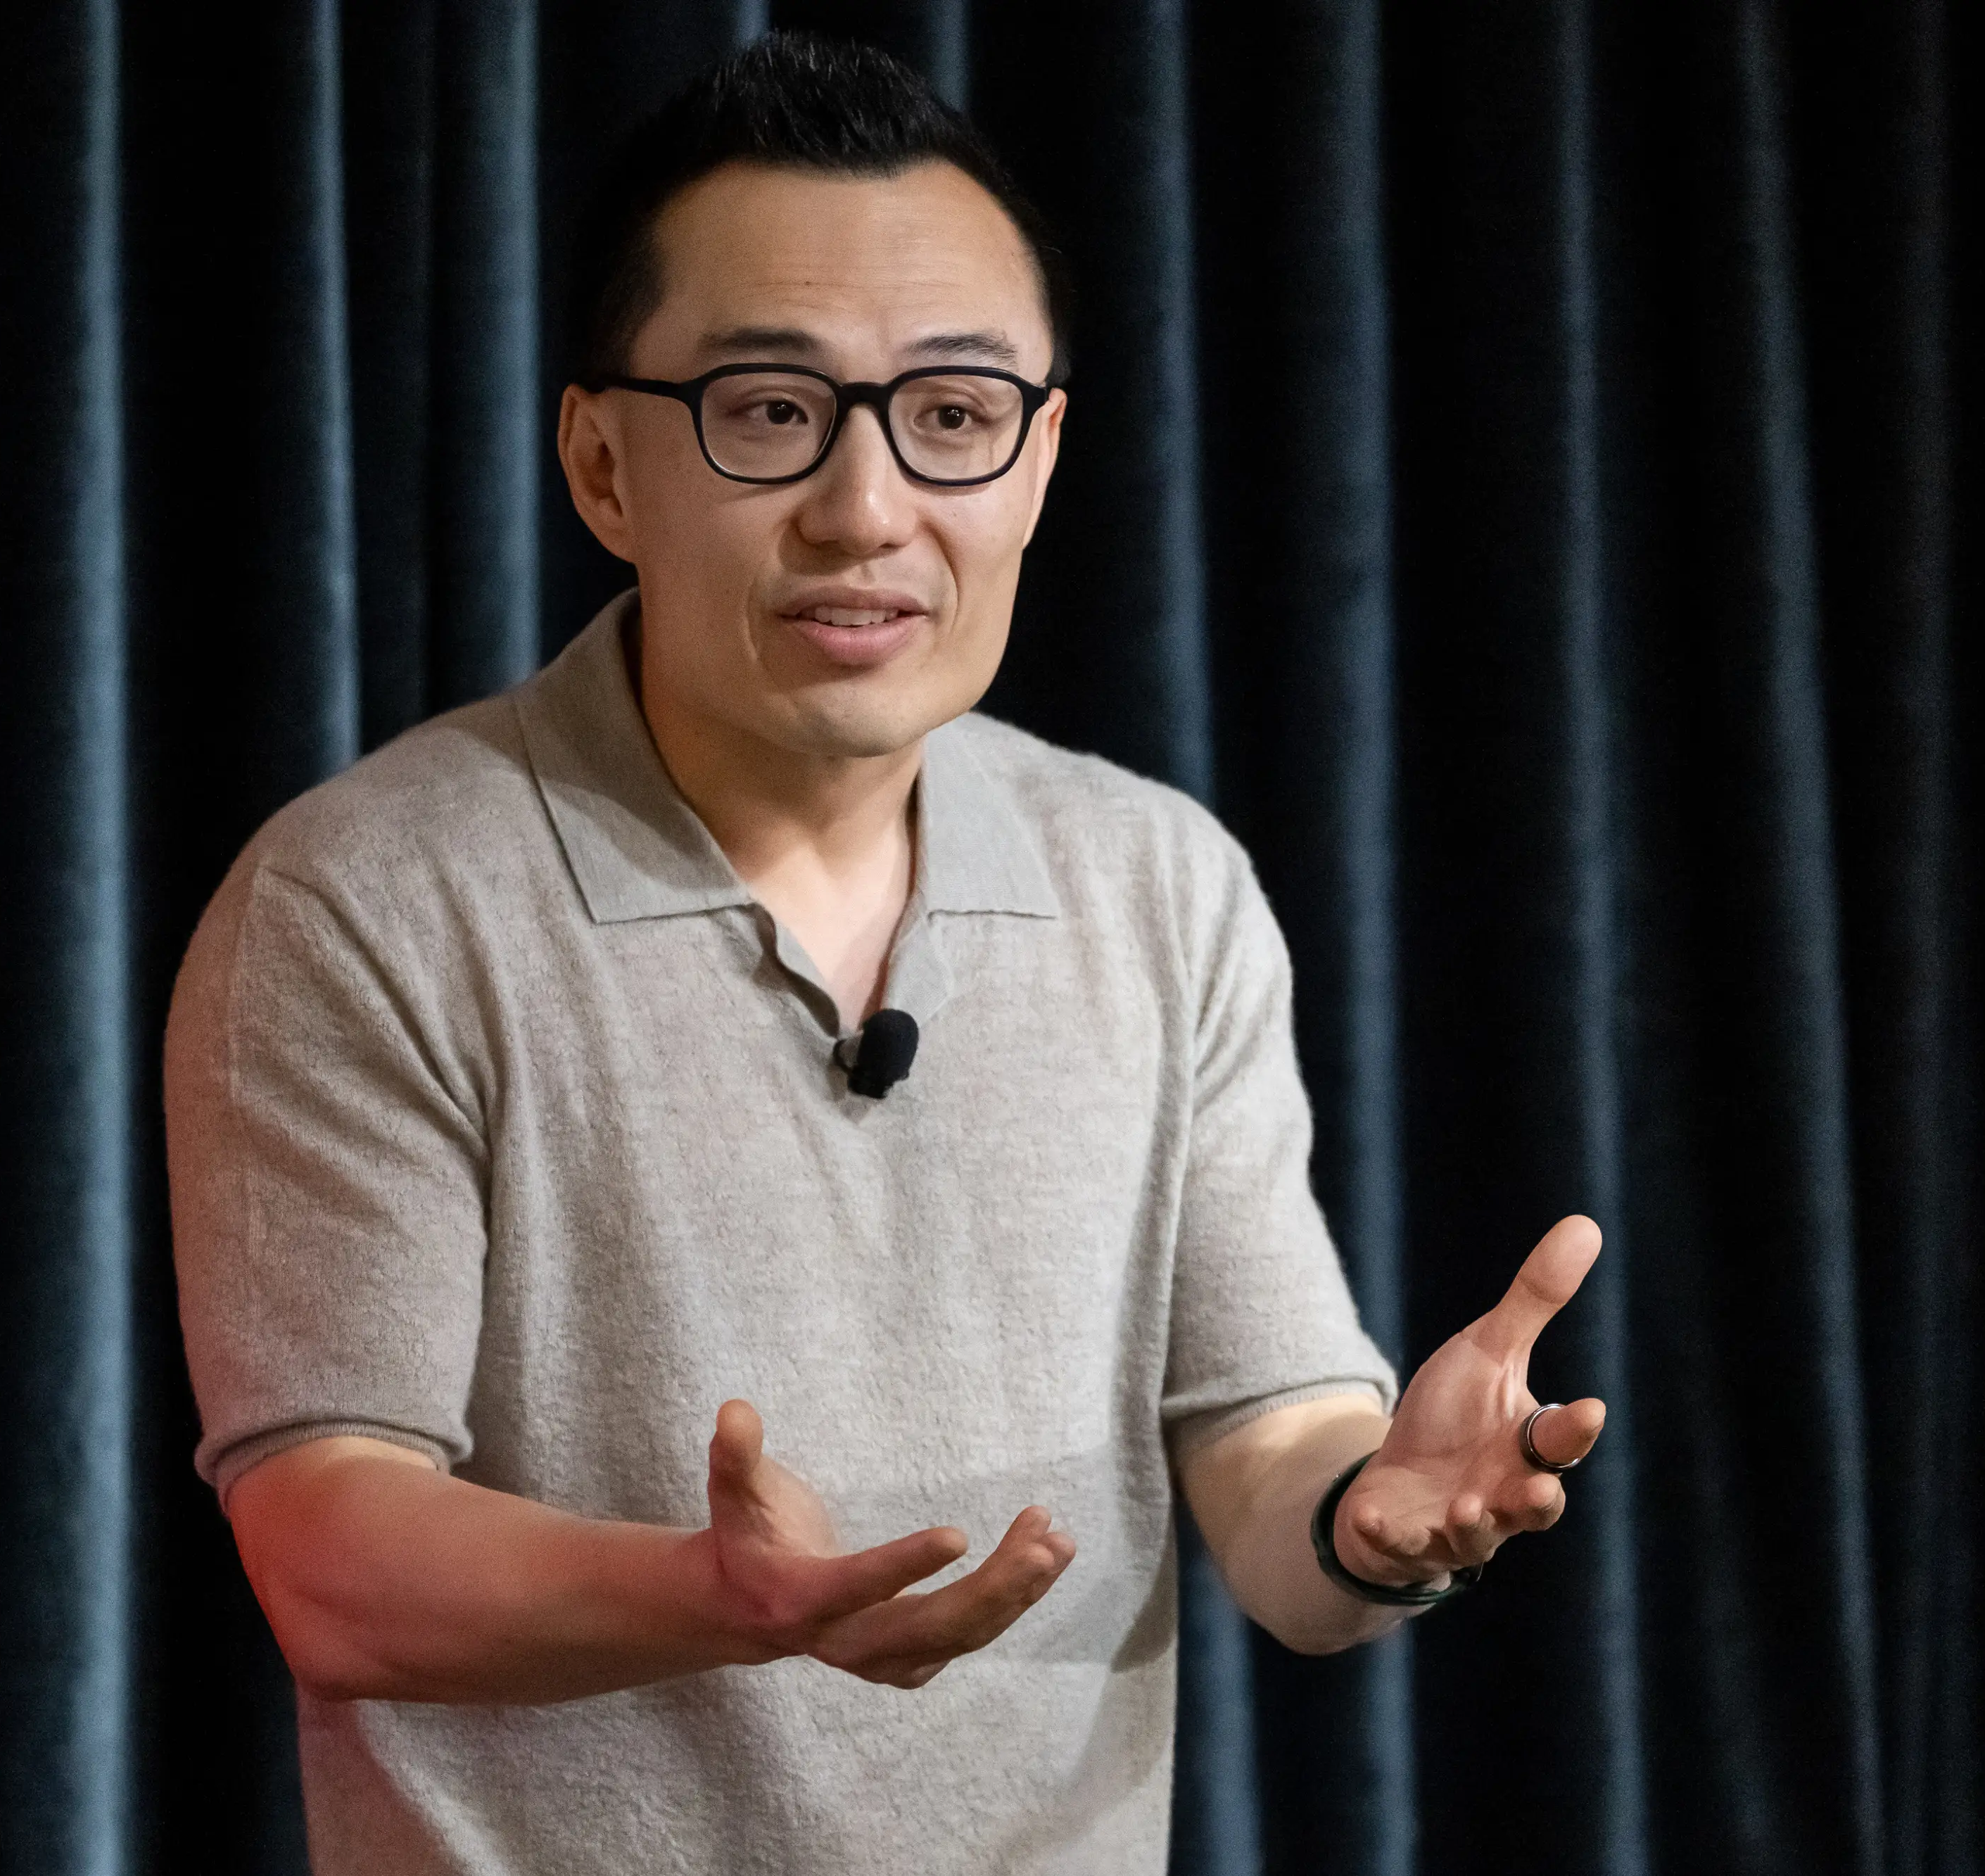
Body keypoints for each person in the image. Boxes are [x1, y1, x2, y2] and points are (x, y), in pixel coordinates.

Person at [165, 30, 1606, 1874]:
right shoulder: (366, 901)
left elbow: (1272, 1450)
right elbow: (334, 1560)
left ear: (1041, 456)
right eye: (770, 412)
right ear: (604, 464)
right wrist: (721, 1598)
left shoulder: (1160, 884)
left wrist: (1373, 1513)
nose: (868, 512)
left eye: (951, 415)